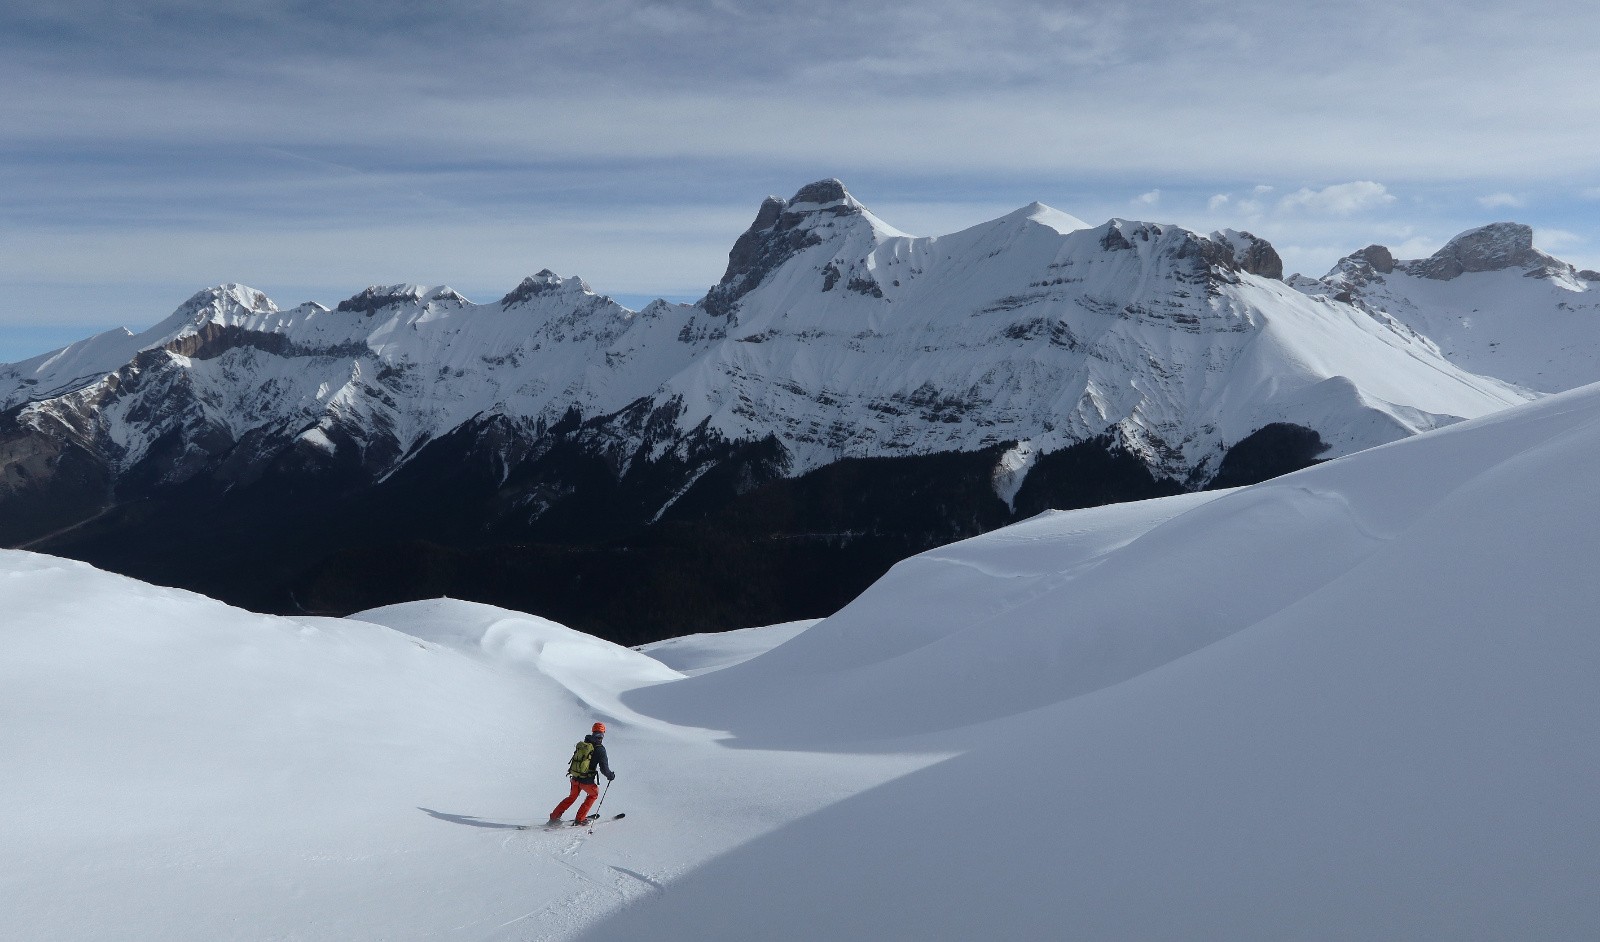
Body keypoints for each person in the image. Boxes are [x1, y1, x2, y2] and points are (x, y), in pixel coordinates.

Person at [549, 722, 616, 826]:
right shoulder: (600, 749)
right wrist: (610, 775)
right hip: (586, 781)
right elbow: (604, 769)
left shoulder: (585, 744)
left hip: (575, 778)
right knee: (594, 794)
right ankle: (580, 819)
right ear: (603, 734)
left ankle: (554, 817)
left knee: (571, 797)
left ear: (593, 731)